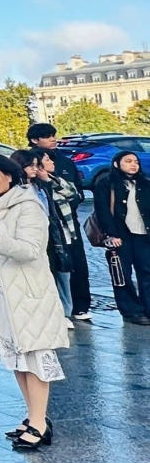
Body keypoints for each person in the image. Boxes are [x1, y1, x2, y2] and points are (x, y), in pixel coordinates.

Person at [0, 152, 69, 449]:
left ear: (8, 175)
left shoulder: (28, 205)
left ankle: (39, 422)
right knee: (15, 356)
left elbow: (32, 249)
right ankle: (33, 416)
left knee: (34, 355)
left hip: (27, 293)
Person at [29, 122, 91, 320]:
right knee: (55, 266)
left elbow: (77, 192)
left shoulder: (64, 162)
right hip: (47, 225)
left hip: (69, 222)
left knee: (78, 263)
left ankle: (80, 306)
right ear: (34, 140)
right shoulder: (28, 162)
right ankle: (58, 309)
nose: (53, 139)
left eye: (53, 135)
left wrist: (69, 200)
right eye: (47, 136)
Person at [15, 149, 79, 329]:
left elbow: (72, 194)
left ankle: (64, 312)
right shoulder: (14, 189)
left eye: (37, 165)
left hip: (53, 235)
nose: (35, 169)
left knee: (61, 273)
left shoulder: (43, 185)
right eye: (31, 165)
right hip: (30, 238)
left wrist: (49, 179)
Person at [92, 149, 150, 326]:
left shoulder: (145, 183)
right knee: (122, 275)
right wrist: (111, 234)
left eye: (136, 162)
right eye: (128, 161)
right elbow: (102, 210)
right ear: (117, 164)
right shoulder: (106, 183)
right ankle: (131, 311)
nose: (133, 165)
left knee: (146, 272)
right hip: (120, 236)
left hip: (143, 235)